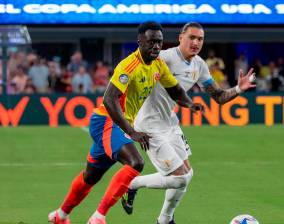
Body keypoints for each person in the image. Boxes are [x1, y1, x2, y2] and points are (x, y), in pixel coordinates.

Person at [48, 21, 203, 224]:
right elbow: (109, 99)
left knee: (91, 176)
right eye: (151, 42)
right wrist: (132, 131)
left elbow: (175, 90)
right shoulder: (129, 66)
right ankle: (98, 217)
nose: (156, 46)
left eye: (160, 42)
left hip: (117, 126)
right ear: (140, 41)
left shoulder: (158, 65)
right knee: (136, 162)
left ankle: (61, 215)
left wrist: (190, 104)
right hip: (106, 121)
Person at [121, 22, 256, 224]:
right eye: (191, 37)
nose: (196, 42)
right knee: (180, 178)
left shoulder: (199, 65)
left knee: (187, 174)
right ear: (180, 38)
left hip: (170, 123)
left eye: (200, 39)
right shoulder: (163, 57)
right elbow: (133, 74)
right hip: (148, 125)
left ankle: (164, 220)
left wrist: (238, 89)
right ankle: (131, 184)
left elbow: (218, 96)